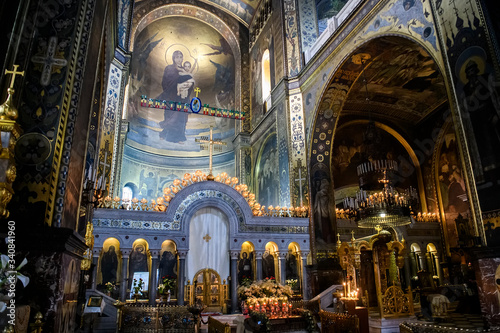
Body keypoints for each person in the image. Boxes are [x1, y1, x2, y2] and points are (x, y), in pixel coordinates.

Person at [157, 50, 195, 143]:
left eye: (180, 57)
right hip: (171, 96)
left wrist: (188, 85)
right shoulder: (169, 68)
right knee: (170, 116)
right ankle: (164, 134)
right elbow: (165, 82)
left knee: (180, 118)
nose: (179, 59)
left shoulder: (184, 69)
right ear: (173, 58)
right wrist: (175, 85)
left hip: (182, 98)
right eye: (177, 57)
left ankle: (178, 138)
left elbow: (190, 81)